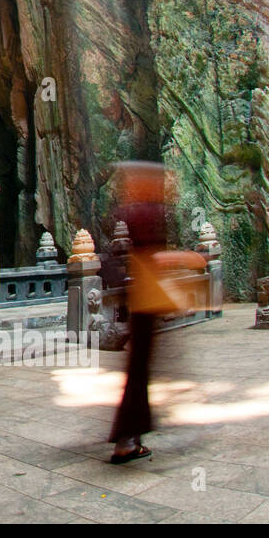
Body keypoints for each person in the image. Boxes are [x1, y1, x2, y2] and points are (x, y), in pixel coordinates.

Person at [107, 162, 205, 464]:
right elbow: (154, 257)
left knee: (139, 370)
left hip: (144, 297)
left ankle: (129, 435)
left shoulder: (135, 210)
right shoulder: (146, 212)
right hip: (147, 297)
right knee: (139, 371)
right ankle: (126, 439)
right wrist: (186, 257)